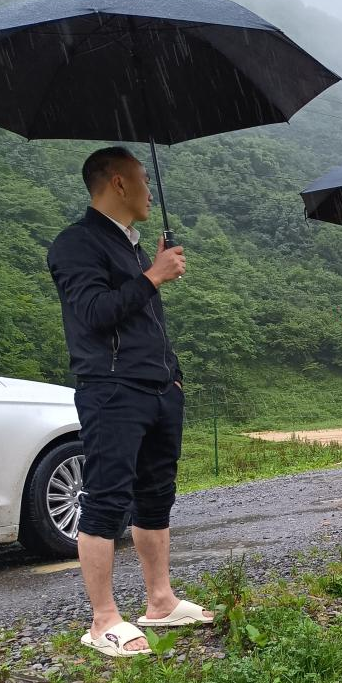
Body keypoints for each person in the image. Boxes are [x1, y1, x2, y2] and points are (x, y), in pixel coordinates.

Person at [47, 146, 213, 657]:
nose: (148, 189)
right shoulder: (75, 244)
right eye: (142, 179)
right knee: (106, 499)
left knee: (156, 493)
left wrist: (175, 379)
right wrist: (153, 276)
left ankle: (159, 601)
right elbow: (94, 313)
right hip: (113, 389)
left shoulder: (133, 247)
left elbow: (143, 320)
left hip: (160, 387)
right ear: (117, 184)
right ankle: (102, 620)